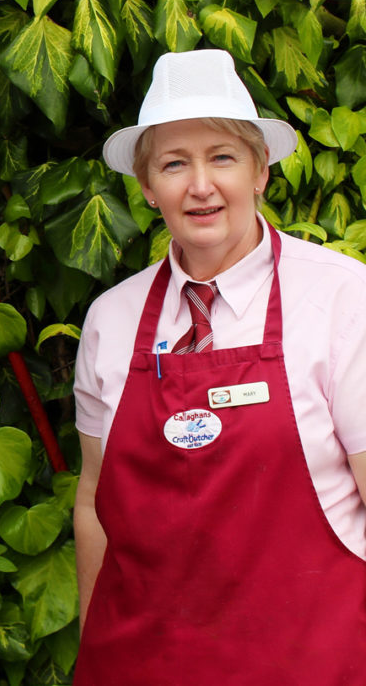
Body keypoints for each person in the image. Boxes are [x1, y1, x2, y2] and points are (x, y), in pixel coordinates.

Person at [72, 48, 366, 684]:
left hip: (310, 660)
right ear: (149, 188)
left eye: (223, 158)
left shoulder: (345, 300)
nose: (200, 186)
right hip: (143, 664)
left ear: (260, 171)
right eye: (175, 164)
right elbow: (96, 502)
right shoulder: (110, 321)